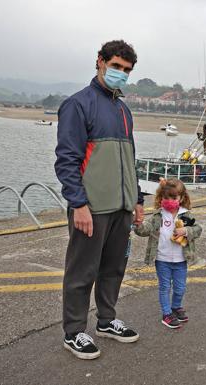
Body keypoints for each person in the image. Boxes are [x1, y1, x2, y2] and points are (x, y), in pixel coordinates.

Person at [55, 40, 144, 360]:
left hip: (121, 207)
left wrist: (136, 200)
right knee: (82, 271)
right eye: (117, 66)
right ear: (100, 62)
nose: (121, 73)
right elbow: (67, 160)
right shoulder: (77, 105)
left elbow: (129, 158)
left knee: (113, 269)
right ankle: (74, 331)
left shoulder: (123, 110)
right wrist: (78, 203)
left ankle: (107, 321)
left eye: (127, 70)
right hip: (91, 207)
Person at [134, 178, 202, 328]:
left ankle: (176, 307)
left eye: (174, 198)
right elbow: (146, 230)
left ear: (181, 198)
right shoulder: (158, 215)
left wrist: (186, 230)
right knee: (164, 287)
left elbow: (198, 230)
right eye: (166, 198)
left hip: (180, 260)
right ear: (161, 198)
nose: (169, 201)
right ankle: (166, 314)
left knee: (180, 288)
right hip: (162, 259)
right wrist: (137, 225)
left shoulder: (186, 215)